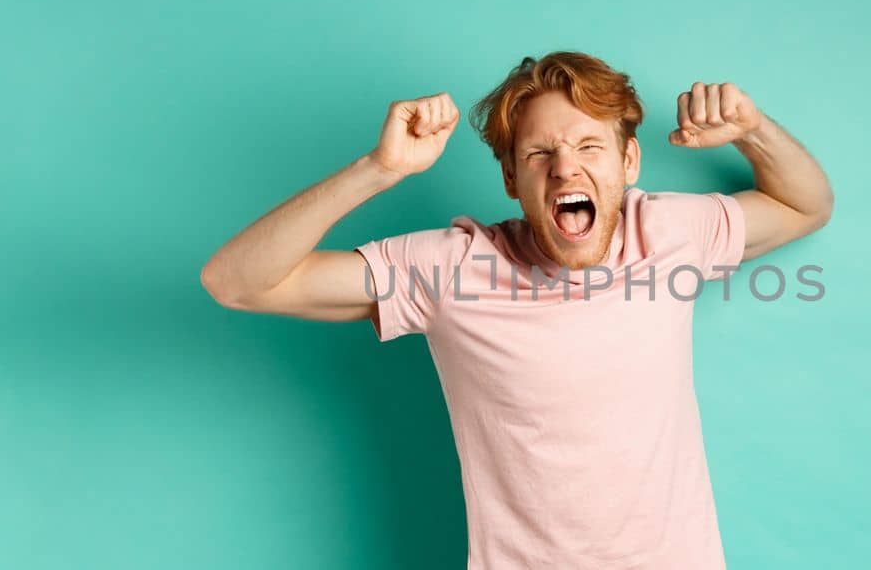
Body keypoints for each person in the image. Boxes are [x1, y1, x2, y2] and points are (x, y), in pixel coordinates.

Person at [200, 51, 833, 569]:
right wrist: (378, 169)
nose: (565, 170)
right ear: (509, 177)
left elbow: (807, 205)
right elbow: (237, 283)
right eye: (538, 155)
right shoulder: (450, 268)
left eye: (590, 146)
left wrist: (754, 130)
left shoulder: (667, 232)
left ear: (628, 163)